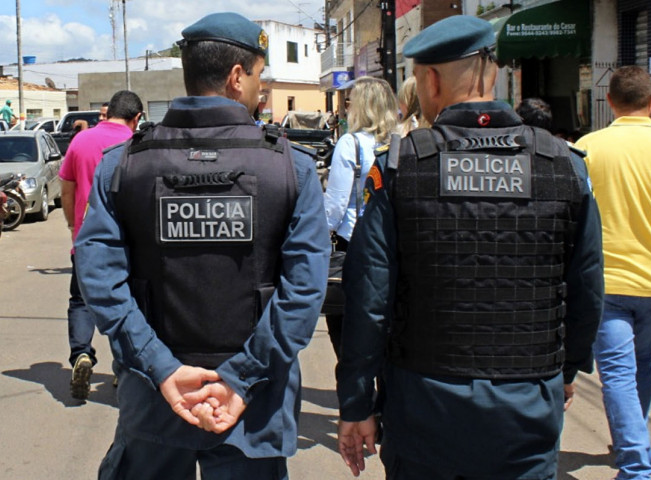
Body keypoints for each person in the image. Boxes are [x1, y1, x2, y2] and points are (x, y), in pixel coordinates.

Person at [335, 15, 604, 479]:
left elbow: (369, 299)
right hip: (528, 408)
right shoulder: (564, 167)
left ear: (432, 80)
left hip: (423, 409)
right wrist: (565, 373)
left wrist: (357, 403)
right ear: (493, 73)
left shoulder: (401, 168)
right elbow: (588, 290)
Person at [76, 12, 329, 478]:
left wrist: (163, 370)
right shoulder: (291, 168)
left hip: (155, 403)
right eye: (258, 74)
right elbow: (304, 293)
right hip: (253, 409)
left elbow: (99, 280)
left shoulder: (123, 166)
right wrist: (240, 379)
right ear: (237, 77)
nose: (262, 87)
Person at [575, 65, 651, 480]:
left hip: (607, 282)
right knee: (641, 363)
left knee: (616, 372)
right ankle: (629, 442)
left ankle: (635, 467)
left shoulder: (588, 148)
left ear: (609, 102)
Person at [58, 90, 143, 400]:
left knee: (81, 301)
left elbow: (66, 190)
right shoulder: (138, 145)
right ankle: (123, 368)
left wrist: (72, 225)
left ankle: (81, 353)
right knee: (128, 304)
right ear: (137, 118)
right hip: (130, 244)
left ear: (105, 114)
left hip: (86, 241)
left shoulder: (80, 141)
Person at [321, 76, 397, 357]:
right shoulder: (402, 141)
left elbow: (337, 203)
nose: (348, 105)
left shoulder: (350, 144)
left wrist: (319, 234)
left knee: (346, 330)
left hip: (353, 243)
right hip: (390, 243)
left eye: (352, 100)